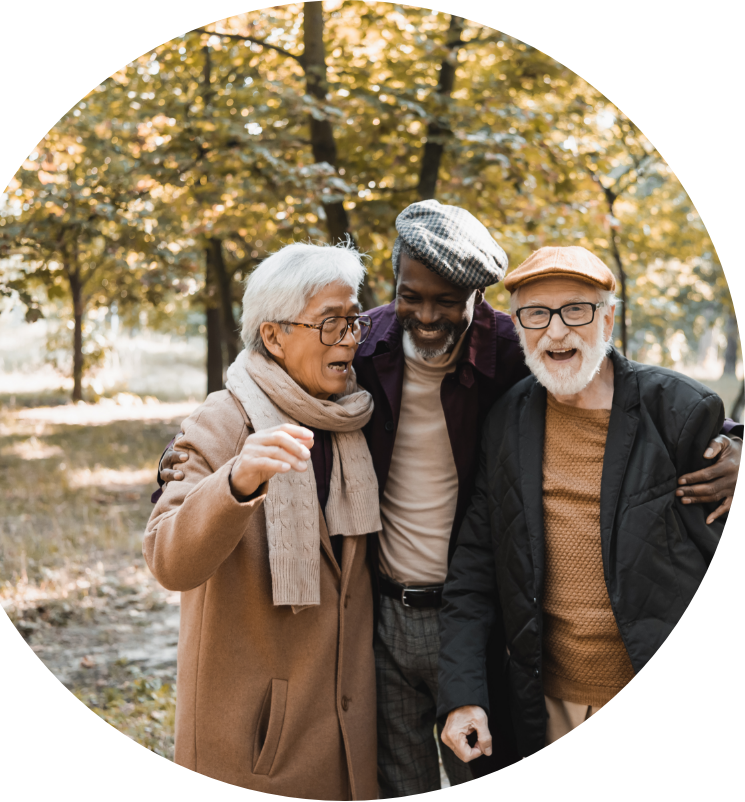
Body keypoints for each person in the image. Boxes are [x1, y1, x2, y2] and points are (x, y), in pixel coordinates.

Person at [155, 203, 744, 799]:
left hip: (485, 620)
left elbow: (644, 399)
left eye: (449, 300)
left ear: (480, 300)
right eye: (413, 296)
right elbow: (271, 378)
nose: (428, 315)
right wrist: (201, 462)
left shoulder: (519, 359)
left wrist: (739, 452)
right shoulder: (360, 350)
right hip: (381, 618)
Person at [438, 246, 742, 764]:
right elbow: (474, 565)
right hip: (553, 704)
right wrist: (462, 694)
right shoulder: (506, 421)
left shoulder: (677, 409)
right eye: (536, 314)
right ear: (519, 327)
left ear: (608, 319)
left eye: (576, 309)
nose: (556, 331)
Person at [143, 242, 381, 800]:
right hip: (257, 750)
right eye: (329, 323)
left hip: (346, 739)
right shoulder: (222, 419)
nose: (347, 337)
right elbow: (167, 560)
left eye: (353, 321)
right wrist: (234, 482)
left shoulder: (353, 419)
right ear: (273, 336)